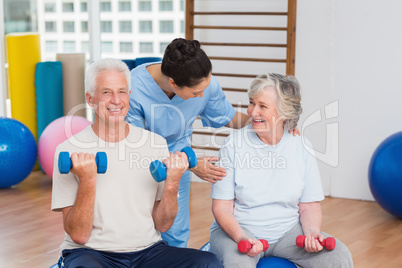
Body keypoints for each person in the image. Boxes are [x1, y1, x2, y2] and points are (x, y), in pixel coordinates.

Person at [51, 58, 223, 268]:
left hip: (148, 252)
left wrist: (172, 182)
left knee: (208, 263)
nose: (116, 100)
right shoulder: (69, 151)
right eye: (106, 92)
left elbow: (164, 224)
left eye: (122, 91)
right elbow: (78, 235)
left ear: (129, 96)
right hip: (92, 253)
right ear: (90, 99)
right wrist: (87, 180)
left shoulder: (154, 143)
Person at [209, 73, 353, 267]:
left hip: (287, 233)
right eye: (252, 103)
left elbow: (309, 205)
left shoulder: (301, 146)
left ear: (284, 113)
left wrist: (311, 233)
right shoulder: (232, 145)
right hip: (239, 231)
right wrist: (242, 238)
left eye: (263, 106)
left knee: (338, 256)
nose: (252, 112)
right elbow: (222, 208)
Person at [125, 38, 250, 247]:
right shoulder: (133, 88)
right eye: (196, 93)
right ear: (173, 83)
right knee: (139, 230)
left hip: (179, 161)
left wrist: (270, 121)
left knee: (175, 233)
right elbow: (137, 147)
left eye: (205, 87)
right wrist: (191, 163)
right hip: (138, 164)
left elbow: (229, 118)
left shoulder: (204, 85)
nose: (202, 95)